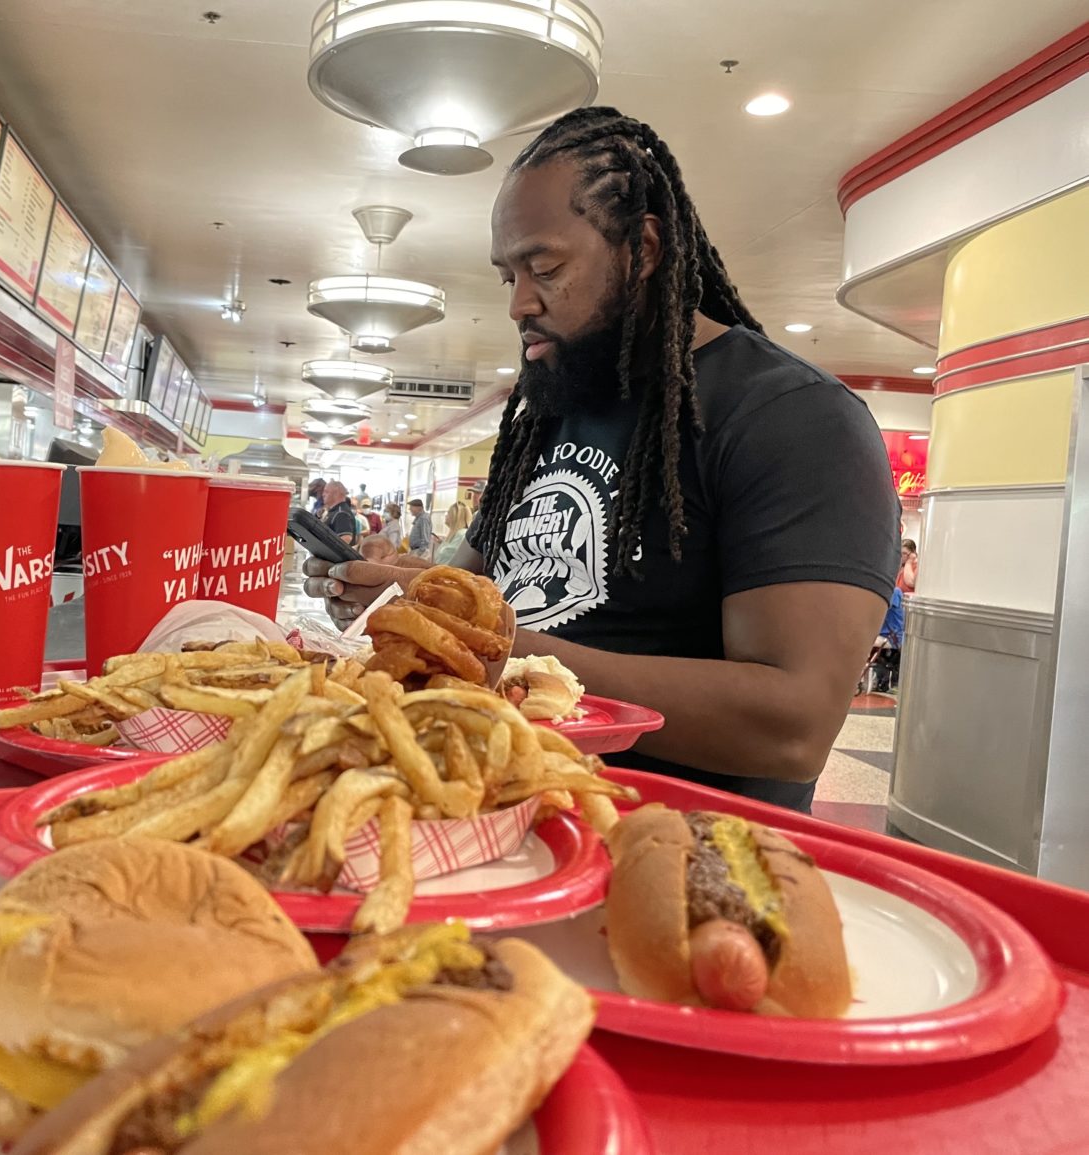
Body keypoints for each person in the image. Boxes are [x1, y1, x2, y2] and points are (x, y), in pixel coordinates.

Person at [303, 106, 898, 811]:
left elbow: (792, 726)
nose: (520, 303)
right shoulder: (550, 414)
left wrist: (499, 653)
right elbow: (478, 592)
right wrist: (400, 586)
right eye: (508, 277)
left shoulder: (793, 418)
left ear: (643, 251)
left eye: (544, 267)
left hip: (673, 863)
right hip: (488, 826)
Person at [871, 583, 905, 693]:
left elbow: (881, 607)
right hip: (883, 635)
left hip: (892, 637)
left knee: (861, 641)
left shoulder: (894, 592)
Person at [321, 479, 360, 546]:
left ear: (336, 493)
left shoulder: (341, 513)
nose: (323, 494)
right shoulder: (334, 512)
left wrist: (326, 552)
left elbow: (346, 538)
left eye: (326, 492)